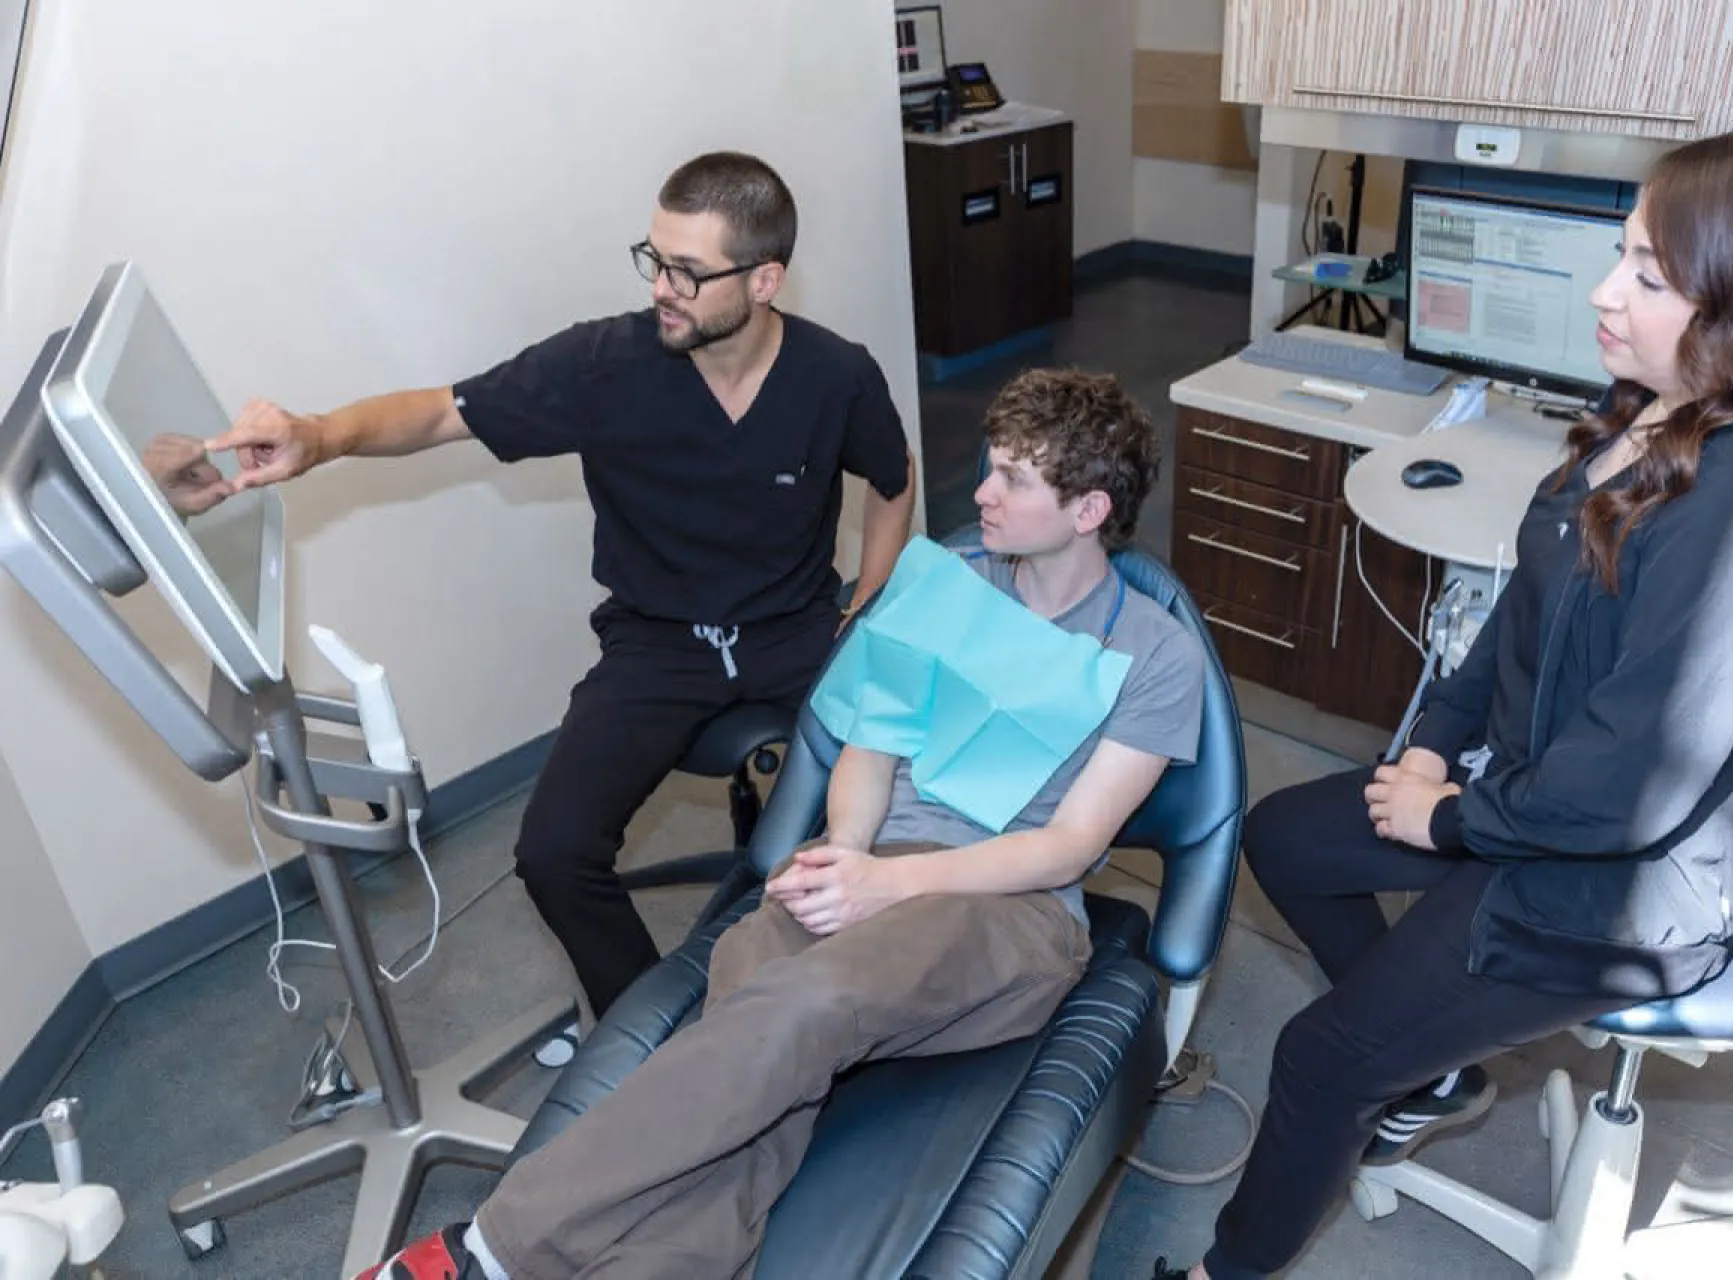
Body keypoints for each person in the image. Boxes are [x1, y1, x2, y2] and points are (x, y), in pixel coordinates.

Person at [1151, 119, 1733, 1279]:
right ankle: (1439, 1067)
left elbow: (1625, 790)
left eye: (1649, 275)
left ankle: (1225, 1267)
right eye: (1623, 252)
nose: (1606, 291)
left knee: (1321, 1057)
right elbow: (1521, 609)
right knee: (1285, 833)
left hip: (1618, 882)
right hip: (1529, 798)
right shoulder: (1651, 406)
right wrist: (1437, 750)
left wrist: (1444, 819)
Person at [352, 367, 1205, 1279]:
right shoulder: (952, 583)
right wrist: (844, 848)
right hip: (875, 863)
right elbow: (871, 748)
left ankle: (490, 1247)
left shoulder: (1155, 654)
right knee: (753, 1018)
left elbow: (1070, 846)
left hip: (1008, 905)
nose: (981, 494)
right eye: (989, 467)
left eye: (1013, 480)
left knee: (804, 1004)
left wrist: (889, 883)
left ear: (1088, 511)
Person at [200, 151, 918, 1033]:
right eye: (654, 260)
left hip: (796, 632)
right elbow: (440, 411)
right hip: (658, 645)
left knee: (910, 795)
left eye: (689, 272)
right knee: (553, 854)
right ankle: (652, 1033)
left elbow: (892, 479)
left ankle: (876, 1003)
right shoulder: (604, 366)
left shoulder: (835, 375)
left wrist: (869, 603)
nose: (663, 286)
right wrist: (320, 434)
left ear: (764, 279)